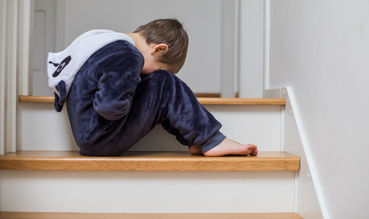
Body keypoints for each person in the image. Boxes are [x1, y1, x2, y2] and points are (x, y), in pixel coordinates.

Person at [48, 19, 258, 157]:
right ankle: (212, 140)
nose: (146, 74)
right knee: (164, 83)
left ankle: (195, 140)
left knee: (158, 89)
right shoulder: (128, 55)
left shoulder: (102, 44)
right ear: (159, 49)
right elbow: (110, 108)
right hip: (102, 137)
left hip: (92, 135)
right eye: (156, 67)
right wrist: (136, 93)